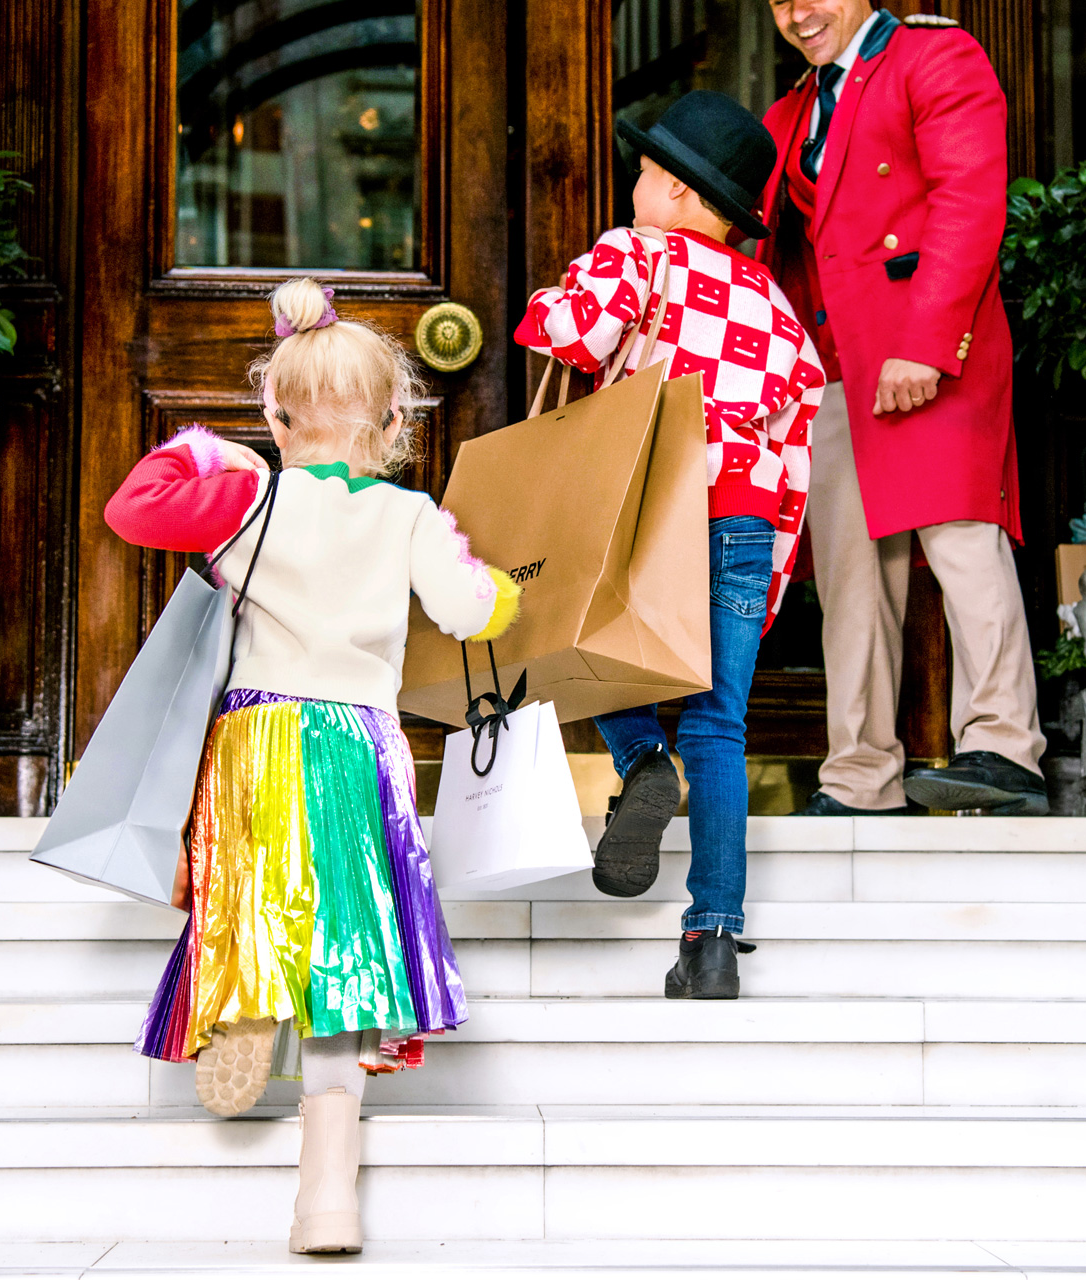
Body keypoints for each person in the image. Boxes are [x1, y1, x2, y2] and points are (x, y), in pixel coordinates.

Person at [103, 279, 522, 1254]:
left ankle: (248, 1002)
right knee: (346, 951)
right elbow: (466, 611)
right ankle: (325, 1194)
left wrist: (209, 448)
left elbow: (136, 510)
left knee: (252, 900)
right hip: (351, 739)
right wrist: (499, 591)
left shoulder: (250, 496)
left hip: (254, 735)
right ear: (388, 418)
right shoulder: (408, 512)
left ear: (275, 415)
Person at [517, 90, 824, 999]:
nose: (637, 187)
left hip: (647, 503)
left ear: (685, 197)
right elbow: (795, 440)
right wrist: (767, 574)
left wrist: (548, 297)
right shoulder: (773, 302)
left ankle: (643, 762)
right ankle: (714, 939)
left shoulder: (636, 252)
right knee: (721, 724)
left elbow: (573, 333)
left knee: (584, 648)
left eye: (649, 176)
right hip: (741, 523)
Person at [756, 0, 1048, 817]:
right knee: (854, 574)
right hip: (834, 365)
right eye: (780, 0)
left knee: (961, 539)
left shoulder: (933, 57)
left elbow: (968, 203)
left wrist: (925, 343)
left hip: (929, 348)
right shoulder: (792, 110)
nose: (798, 13)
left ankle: (1003, 746)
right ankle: (859, 778)